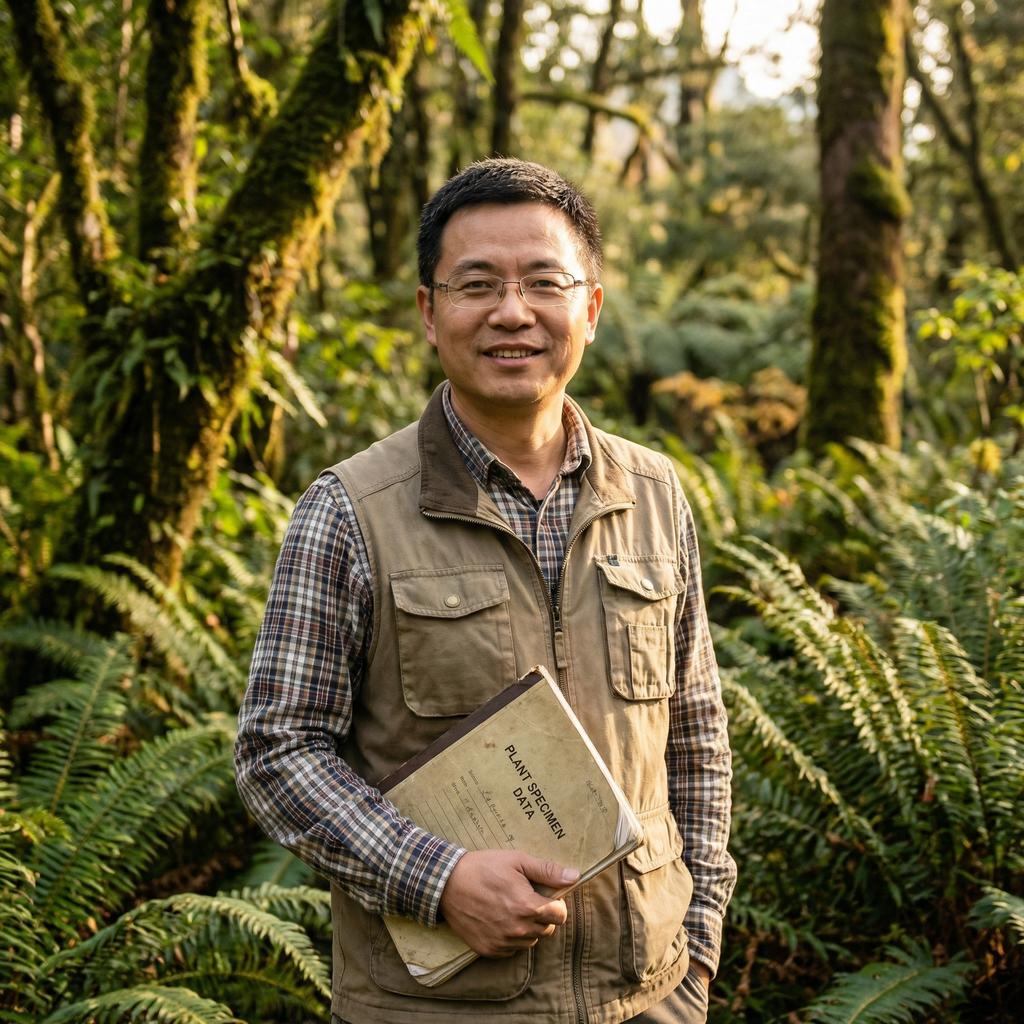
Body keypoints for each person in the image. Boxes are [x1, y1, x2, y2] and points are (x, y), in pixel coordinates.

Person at [235, 158, 736, 1024]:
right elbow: (278, 753)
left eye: (545, 281)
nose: (513, 311)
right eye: (477, 284)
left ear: (591, 306)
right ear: (431, 312)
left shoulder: (654, 496)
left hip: (649, 998)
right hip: (441, 1008)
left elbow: (694, 735)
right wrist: (437, 879)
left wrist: (696, 948)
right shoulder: (351, 511)